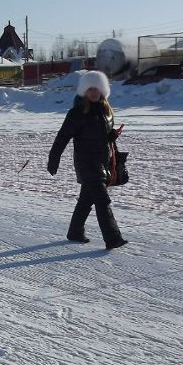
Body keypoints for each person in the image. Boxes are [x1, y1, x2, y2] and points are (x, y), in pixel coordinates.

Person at [46, 71, 128, 249]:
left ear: (102, 90)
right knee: (102, 200)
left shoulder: (106, 111)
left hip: (102, 162)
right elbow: (62, 138)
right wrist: (54, 159)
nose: (93, 92)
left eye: (96, 88)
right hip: (87, 163)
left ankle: (75, 232)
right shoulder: (77, 113)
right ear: (84, 91)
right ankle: (113, 238)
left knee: (86, 200)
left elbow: (104, 137)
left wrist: (112, 136)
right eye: (89, 89)